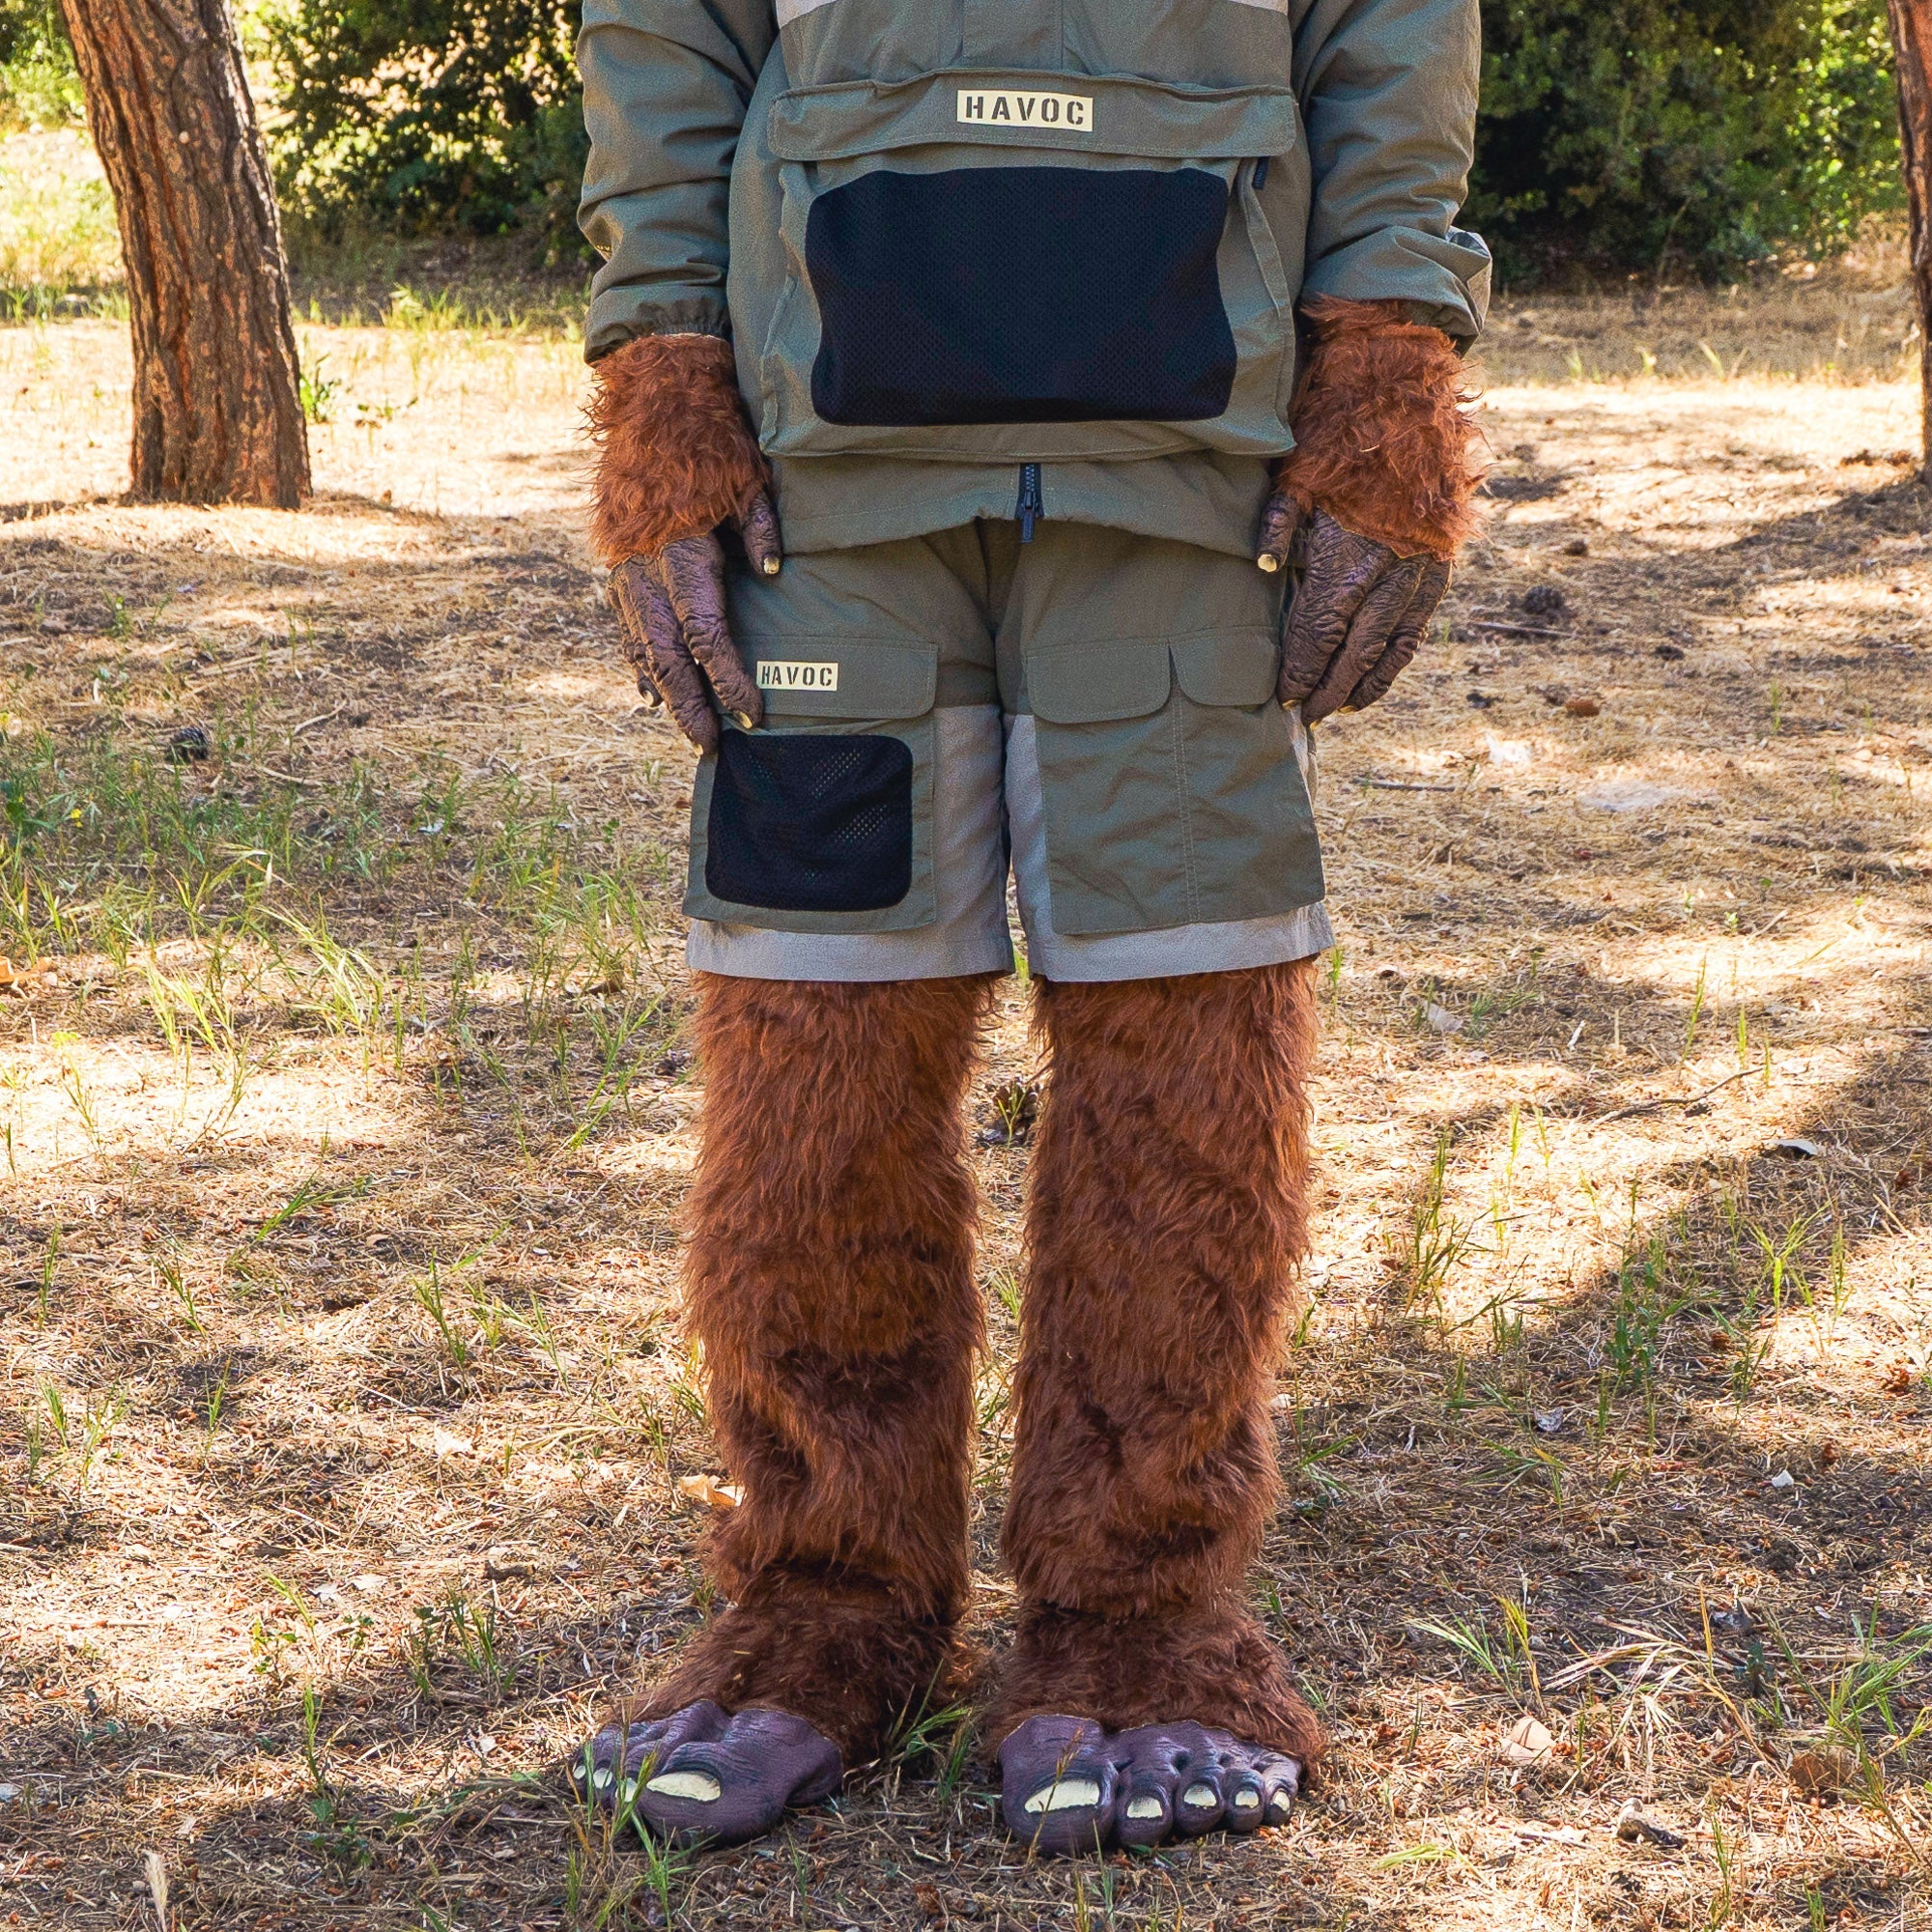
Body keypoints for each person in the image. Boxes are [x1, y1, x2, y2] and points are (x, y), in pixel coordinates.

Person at [571, 0, 1487, 1855]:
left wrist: (1386, 365)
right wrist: (660, 370)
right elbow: (666, 37)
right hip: (824, 477)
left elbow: (1392, 33)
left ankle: (1142, 1619)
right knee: (813, 1020)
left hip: (1180, 471)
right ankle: (822, 1599)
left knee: (1189, 1020)